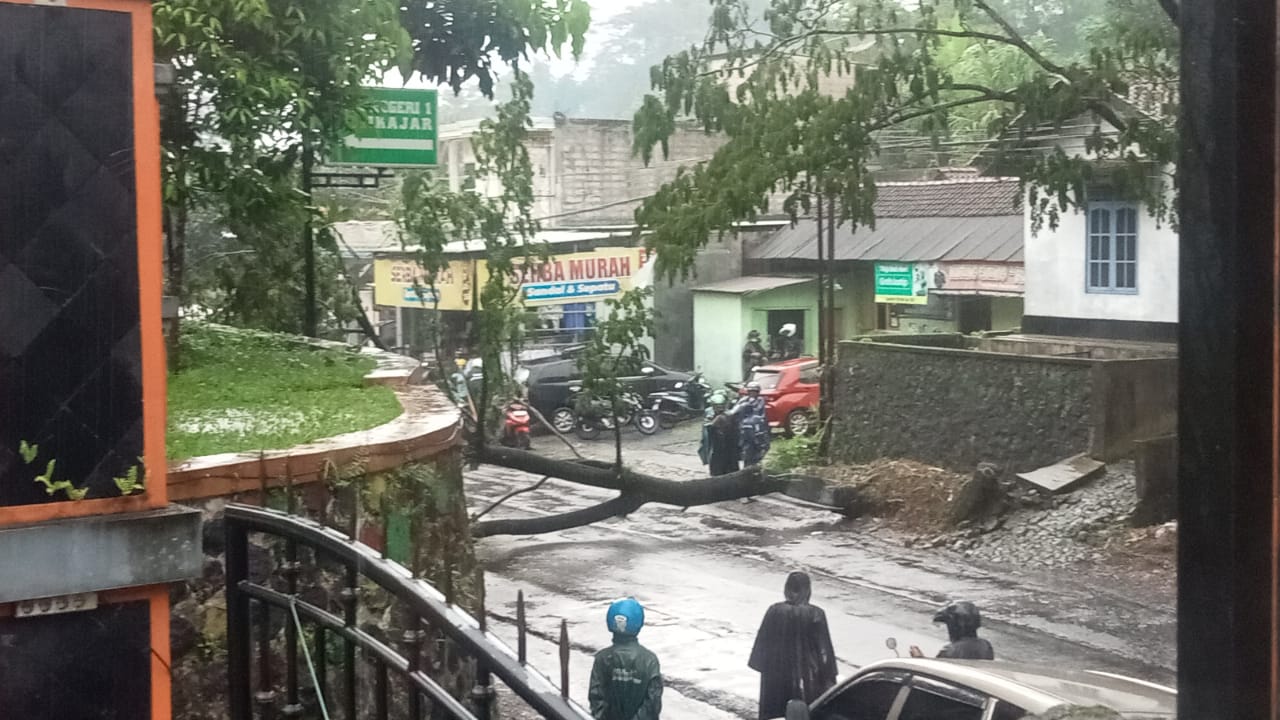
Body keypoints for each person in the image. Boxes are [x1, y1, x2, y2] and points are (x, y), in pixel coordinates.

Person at [748, 572, 838, 720]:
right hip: (810, 680)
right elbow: (825, 652)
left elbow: (760, 652)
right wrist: (829, 678)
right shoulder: (817, 614)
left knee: (775, 714)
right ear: (808, 590)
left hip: (776, 678)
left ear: (786, 589)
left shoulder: (774, 611)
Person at [589, 597, 663, 720]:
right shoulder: (650, 660)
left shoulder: (602, 658)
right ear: (639, 624)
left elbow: (596, 699)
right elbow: (652, 705)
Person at [908, 601, 995, 660]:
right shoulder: (986, 646)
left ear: (954, 626)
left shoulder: (950, 651)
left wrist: (919, 659)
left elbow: (933, 675)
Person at [701, 393, 741, 476]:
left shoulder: (730, 414)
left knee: (732, 468)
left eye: (721, 406)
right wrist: (714, 422)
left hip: (729, 446)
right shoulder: (709, 414)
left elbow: (736, 429)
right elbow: (707, 428)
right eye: (717, 406)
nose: (719, 408)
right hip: (716, 447)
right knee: (716, 468)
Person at [734, 382, 771, 467]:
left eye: (754, 391)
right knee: (746, 449)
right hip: (744, 427)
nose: (752, 393)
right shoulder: (743, 400)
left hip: (757, 426)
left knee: (761, 446)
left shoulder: (760, 400)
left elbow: (761, 414)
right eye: (751, 391)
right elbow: (735, 411)